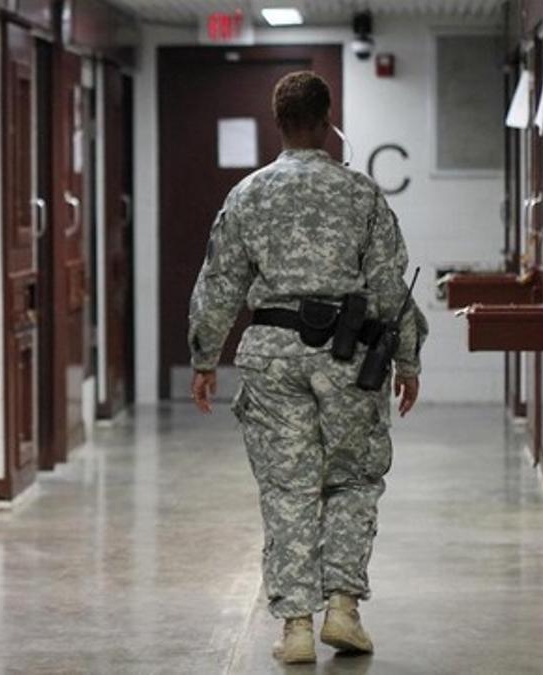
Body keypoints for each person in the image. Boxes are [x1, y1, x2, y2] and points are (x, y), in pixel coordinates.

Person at [186, 71, 428, 664]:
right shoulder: (361, 193)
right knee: (351, 478)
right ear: (326, 122)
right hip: (347, 358)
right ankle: (342, 608)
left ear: (280, 123)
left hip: (270, 357)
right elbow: (390, 285)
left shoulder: (248, 195)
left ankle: (295, 626)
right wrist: (407, 357)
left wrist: (204, 357)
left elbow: (219, 283)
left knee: (287, 487)